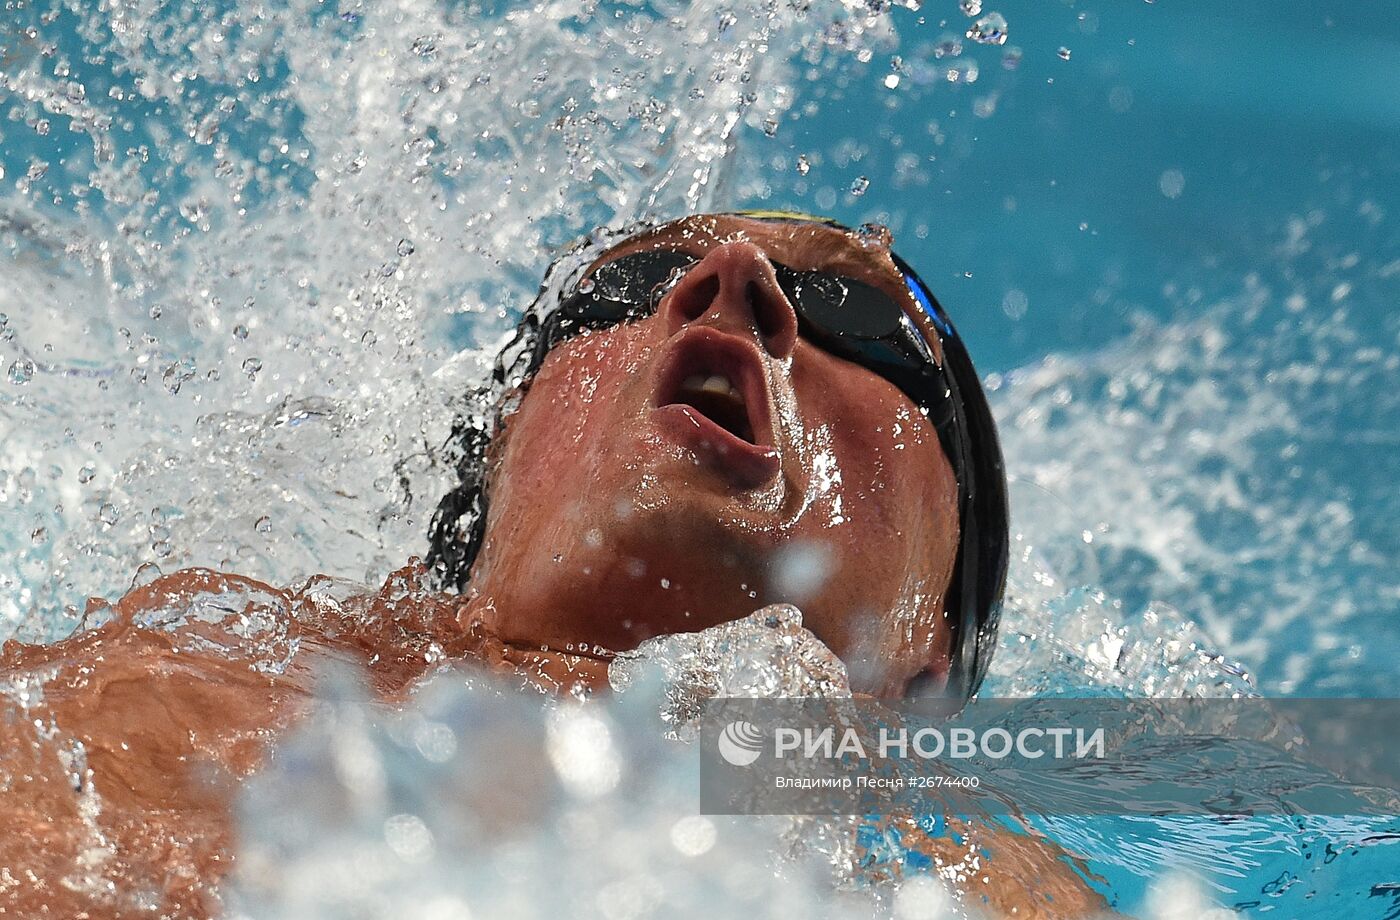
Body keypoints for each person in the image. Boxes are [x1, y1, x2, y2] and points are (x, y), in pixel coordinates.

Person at [0, 213, 1104, 918]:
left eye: (853, 318)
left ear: (926, 663)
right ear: (486, 498)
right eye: (625, 291)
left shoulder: (964, 877)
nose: (730, 279)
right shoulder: (149, 691)